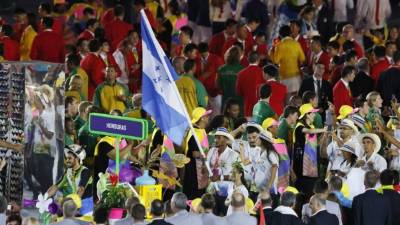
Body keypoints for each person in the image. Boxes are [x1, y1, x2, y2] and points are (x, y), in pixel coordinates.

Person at [46, 145, 93, 215]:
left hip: (86, 206)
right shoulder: (68, 171)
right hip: (76, 203)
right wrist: (44, 198)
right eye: (67, 158)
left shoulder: (85, 171)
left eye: (69, 158)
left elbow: (81, 189)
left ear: (77, 158)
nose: (67, 160)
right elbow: (55, 187)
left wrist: (72, 205)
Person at [293, 104, 327, 198]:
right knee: (303, 191)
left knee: (311, 191)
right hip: (301, 166)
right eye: (313, 113)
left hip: (312, 165)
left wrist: (323, 135)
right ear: (307, 114)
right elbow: (309, 131)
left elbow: (317, 144)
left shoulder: (312, 126)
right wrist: (322, 129)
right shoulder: (299, 126)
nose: (314, 115)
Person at [206, 127, 238, 215]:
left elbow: (236, 176)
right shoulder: (211, 151)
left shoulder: (234, 155)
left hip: (226, 193)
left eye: (219, 138)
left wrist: (220, 177)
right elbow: (206, 169)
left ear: (226, 140)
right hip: (211, 191)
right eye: (215, 137)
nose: (215, 140)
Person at [183, 107, 211, 199]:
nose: (208, 118)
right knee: (194, 195)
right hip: (194, 171)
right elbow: (195, 153)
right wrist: (207, 154)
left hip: (201, 167)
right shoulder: (194, 133)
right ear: (202, 118)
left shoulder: (201, 130)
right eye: (207, 116)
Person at [271, 25, 305, 95]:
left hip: (284, 76)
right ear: (290, 34)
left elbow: (276, 61)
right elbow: (302, 58)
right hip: (296, 76)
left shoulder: (279, 45)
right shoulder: (296, 44)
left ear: (280, 35)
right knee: (295, 100)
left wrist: (272, 52)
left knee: (286, 101)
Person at [236, 51, 265, 118]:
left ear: (248, 59)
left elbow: (238, 92)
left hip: (247, 109)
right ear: (258, 60)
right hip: (261, 110)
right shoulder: (263, 73)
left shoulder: (241, 73)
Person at [217, 46, 244, 111]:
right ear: (239, 56)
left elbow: (218, 85)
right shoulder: (242, 69)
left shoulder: (221, 69)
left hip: (226, 101)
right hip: (239, 102)